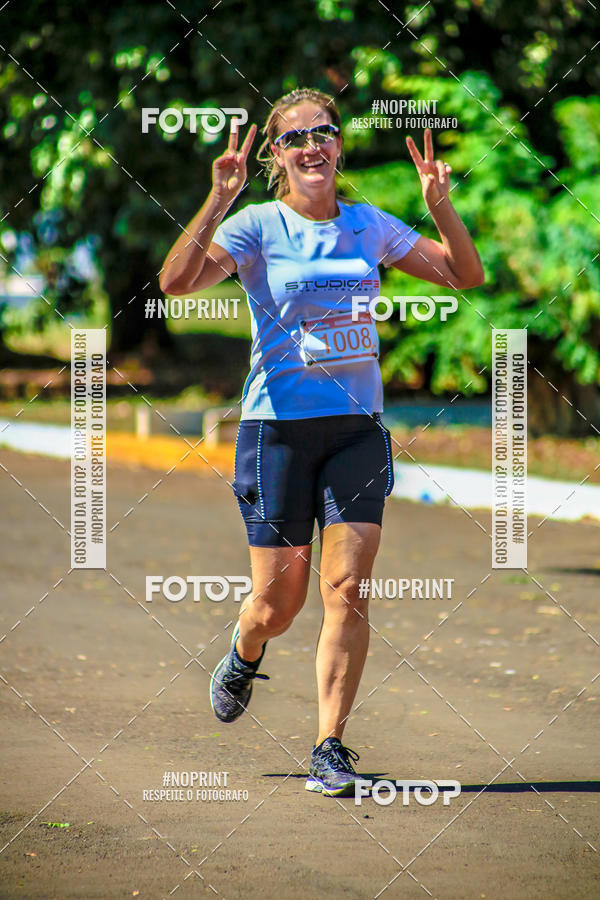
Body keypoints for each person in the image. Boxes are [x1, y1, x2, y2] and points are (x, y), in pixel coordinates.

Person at [160, 87, 484, 798]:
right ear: (276, 155)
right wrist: (217, 199)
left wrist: (440, 210)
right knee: (280, 605)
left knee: (349, 590)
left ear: (338, 146)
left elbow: (465, 275)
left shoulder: (370, 226)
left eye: (324, 132)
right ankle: (245, 652)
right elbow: (176, 283)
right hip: (274, 432)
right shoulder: (254, 226)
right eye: (295, 136)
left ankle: (329, 747)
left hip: (357, 434)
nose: (312, 144)